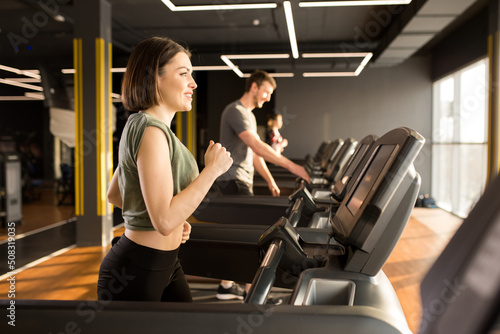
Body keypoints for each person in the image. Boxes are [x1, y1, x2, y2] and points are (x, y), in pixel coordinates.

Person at [97, 36, 232, 302]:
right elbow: (164, 221)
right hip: (137, 269)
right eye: (184, 74)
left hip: (164, 263)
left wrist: (174, 216)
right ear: (154, 79)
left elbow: (116, 194)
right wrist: (211, 171)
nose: (193, 83)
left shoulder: (140, 125)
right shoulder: (151, 132)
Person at [215, 70, 310, 301]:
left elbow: (254, 154)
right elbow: (257, 146)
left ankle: (226, 286)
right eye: (266, 92)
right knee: (252, 238)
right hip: (232, 180)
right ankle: (250, 293)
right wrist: (294, 167)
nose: (267, 97)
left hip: (240, 180)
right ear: (254, 87)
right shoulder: (235, 111)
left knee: (243, 235)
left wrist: (270, 180)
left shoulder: (248, 115)